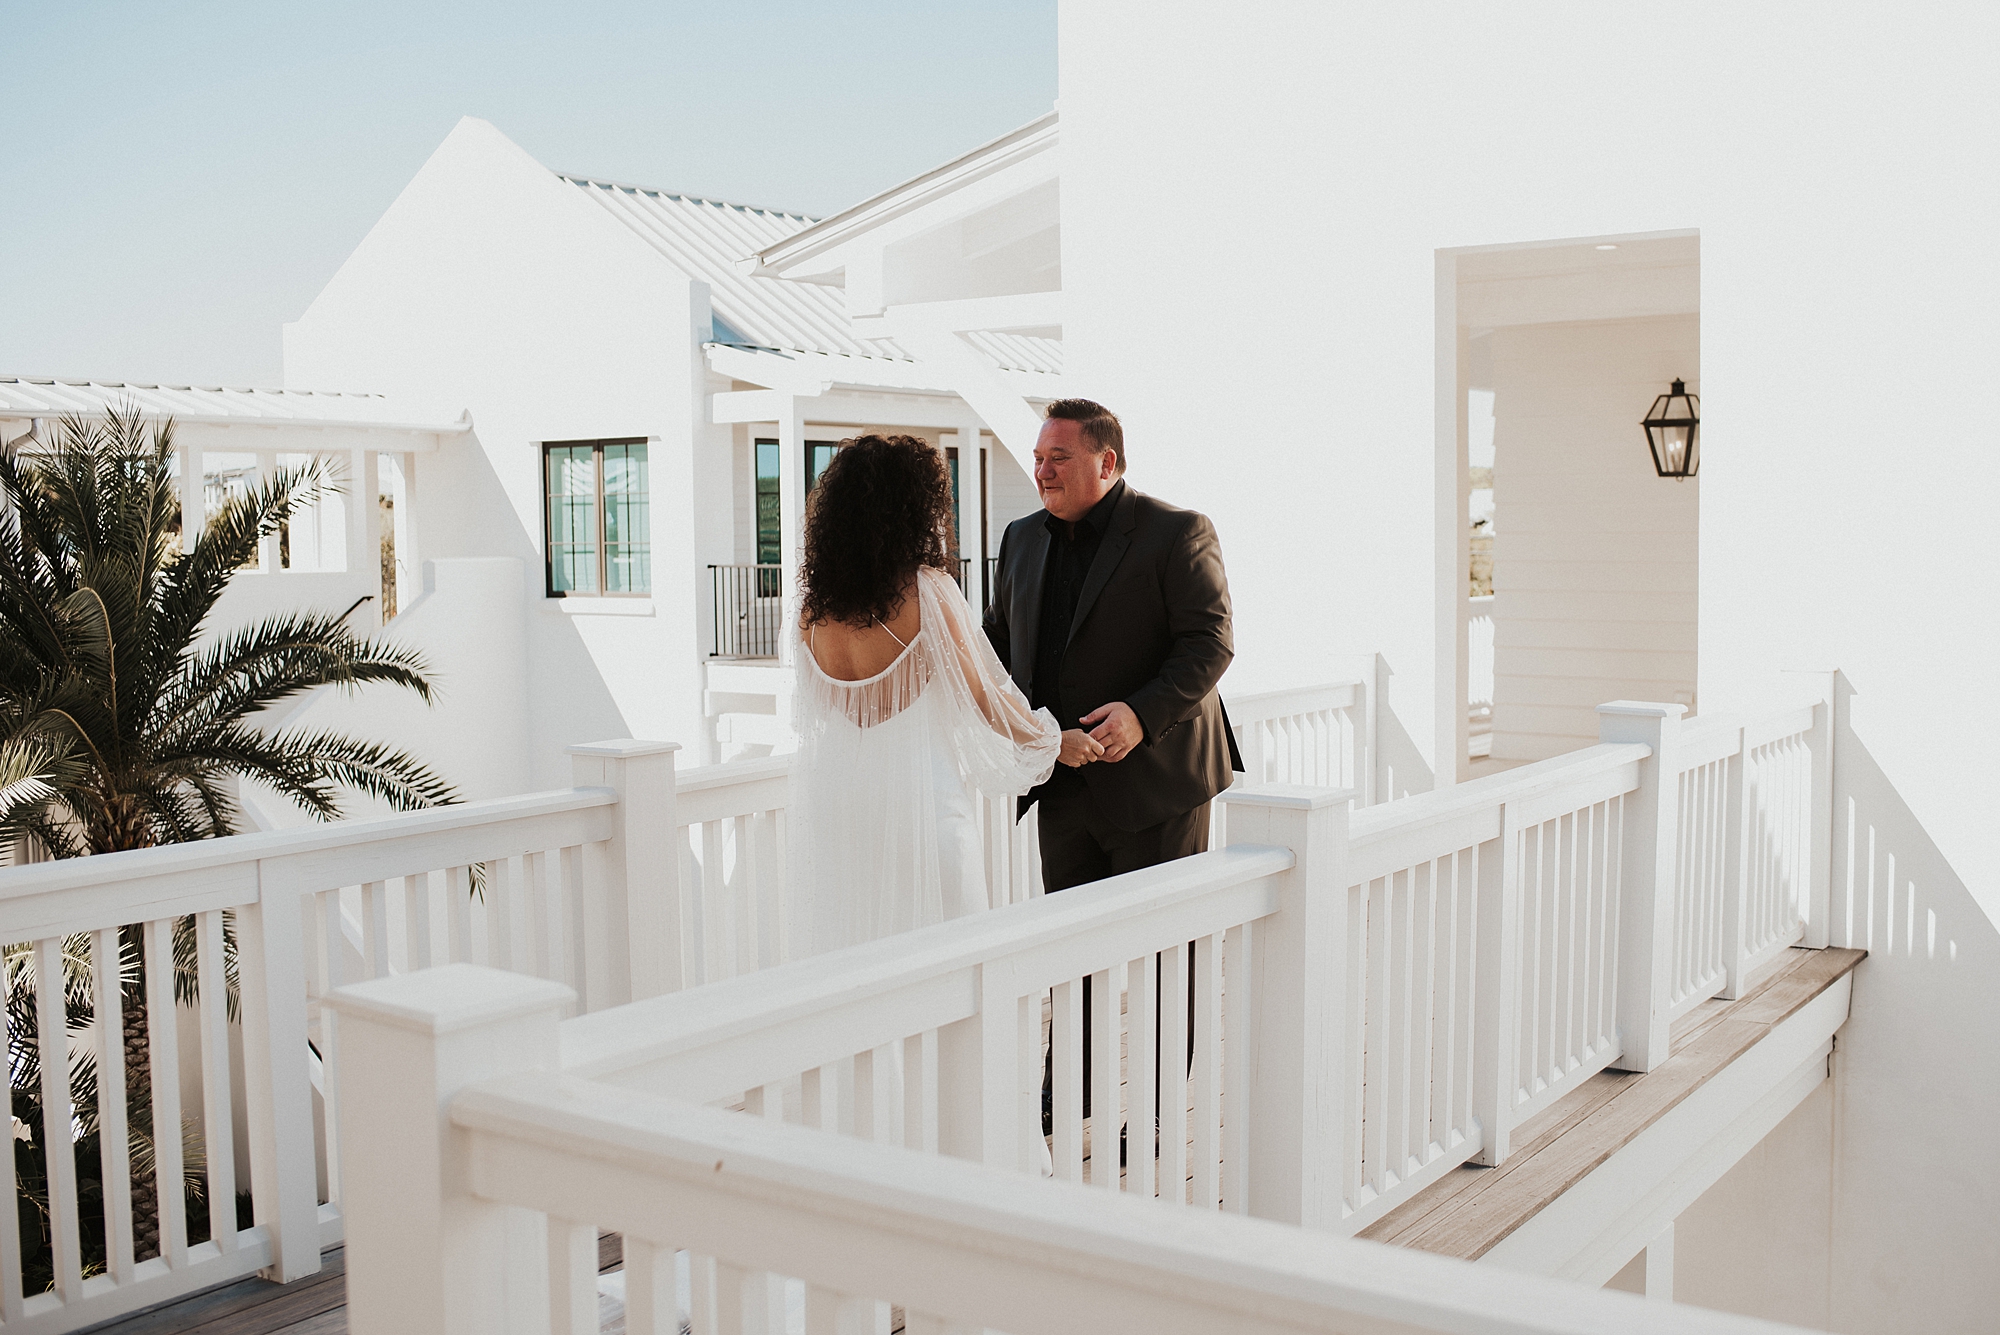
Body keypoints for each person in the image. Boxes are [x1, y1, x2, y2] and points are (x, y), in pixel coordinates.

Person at [983, 398, 1241, 1143]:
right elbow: (1000, 650)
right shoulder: (1019, 539)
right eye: (1038, 457)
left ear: (1109, 462)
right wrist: (1030, 734)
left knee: (1164, 955)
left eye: (1058, 458)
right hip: (1062, 781)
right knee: (1073, 948)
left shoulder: (1176, 532)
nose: (1041, 469)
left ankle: (1158, 1110)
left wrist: (1139, 712)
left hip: (1159, 786)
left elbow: (1210, 643)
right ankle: (1068, 1091)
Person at [788, 434, 1061, 957]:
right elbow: (985, 697)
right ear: (913, 509)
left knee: (862, 955)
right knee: (955, 959)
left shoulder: (812, 609)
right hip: (922, 801)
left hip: (844, 807)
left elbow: (823, 711)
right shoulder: (928, 590)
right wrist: (1052, 738)